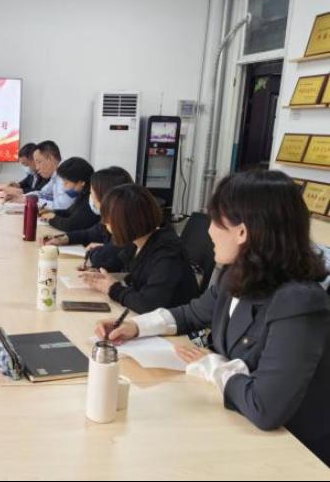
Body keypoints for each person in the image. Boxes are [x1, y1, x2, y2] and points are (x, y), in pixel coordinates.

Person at [95, 170, 330, 467]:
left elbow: (265, 407)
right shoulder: (238, 273)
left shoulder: (298, 301)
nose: (209, 232)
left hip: (293, 451)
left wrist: (213, 366)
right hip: (239, 424)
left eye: (216, 222)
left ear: (242, 232)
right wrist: (135, 327)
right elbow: (194, 312)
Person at [81, 184, 199, 313]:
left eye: (109, 219)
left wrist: (113, 289)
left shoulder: (167, 251)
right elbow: (116, 266)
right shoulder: (136, 241)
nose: (104, 224)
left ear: (126, 222)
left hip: (172, 322)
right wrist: (103, 278)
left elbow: (149, 304)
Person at [44, 166, 133, 271]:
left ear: (107, 197)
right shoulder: (108, 219)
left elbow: (101, 257)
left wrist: (98, 250)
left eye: (92, 193)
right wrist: (63, 239)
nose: (90, 198)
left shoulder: (127, 226)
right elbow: (89, 234)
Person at [4, 140, 74, 211]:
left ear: (50, 158)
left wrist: (30, 200)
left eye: (39, 162)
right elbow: (42, 193)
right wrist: (24, 197)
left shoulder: (65, 174)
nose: (37, 168)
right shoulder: (55, 175)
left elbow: (62, 206)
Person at [44, 157, 98, 232]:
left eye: (66, 182)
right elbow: (69, 212)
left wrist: (52, 218)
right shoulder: (83, 194)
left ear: (81, 182)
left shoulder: (92, 199)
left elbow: (70, 225)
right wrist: (52, 212)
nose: (64, 186)